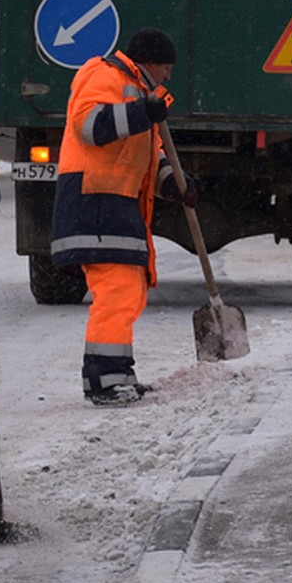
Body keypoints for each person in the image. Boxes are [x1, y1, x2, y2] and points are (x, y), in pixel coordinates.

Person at [50, 28, 197, 406]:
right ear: (149, 62)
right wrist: (140, 112)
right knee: (116, 289)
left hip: (119, 203)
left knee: (129, 289)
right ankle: (104, 380)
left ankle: (118, 372)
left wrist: (175, 184)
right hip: (94, 200)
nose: (168, 75)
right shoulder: (103, 74)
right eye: (166, 67)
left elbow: (152, 156)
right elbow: (89, 125)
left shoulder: (143, 92)